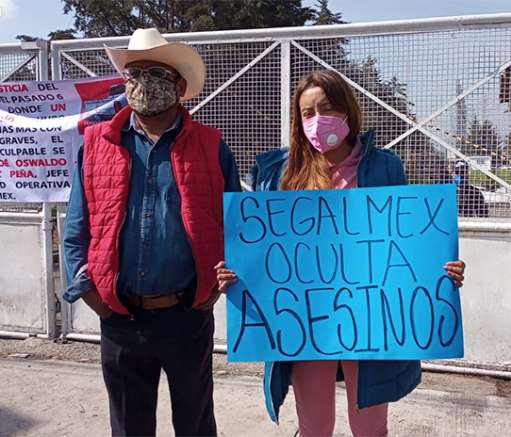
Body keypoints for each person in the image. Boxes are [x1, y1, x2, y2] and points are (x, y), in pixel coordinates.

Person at [217, 70, 466, 437]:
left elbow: (406, 240)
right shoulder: (279, 173)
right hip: (307, 321)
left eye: (327, 107)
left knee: (370, 428)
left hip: (370, 320)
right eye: (307, 112)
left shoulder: (385, 167)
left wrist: (439, 270)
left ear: (347, 110)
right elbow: (262, 251)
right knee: (314, 427)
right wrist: (237, 275)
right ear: (298, 121)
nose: (317, 119)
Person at [63, 28, 241, 436]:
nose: (143, 82)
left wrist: (214, 287)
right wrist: (89, 293)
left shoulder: (212, 146)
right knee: (129, 427)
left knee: (195, 423)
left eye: (155, 72)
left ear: (179, 86)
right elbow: (77, 230)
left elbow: (238, 225)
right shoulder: (95, 144)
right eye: (135, 72)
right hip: (119, 316)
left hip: (186, 316)